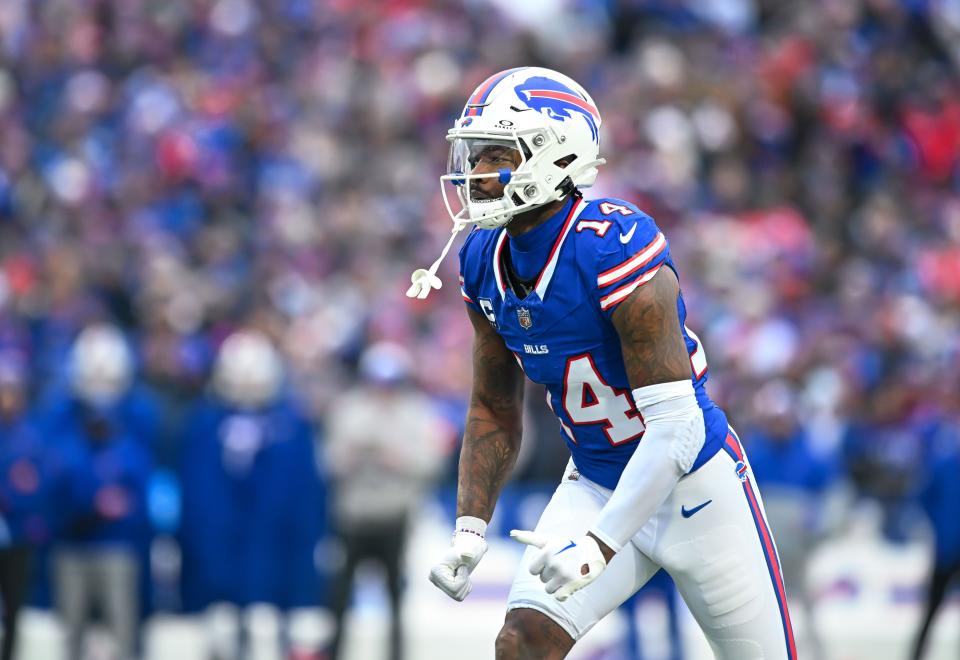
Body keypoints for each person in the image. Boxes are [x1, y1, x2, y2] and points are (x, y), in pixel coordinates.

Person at [408, 67, 797, 659]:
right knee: (521, 645)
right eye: (474, 153)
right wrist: (469, 528)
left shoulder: (611, 243)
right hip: (594, 480)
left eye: (495, 154)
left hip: (696, 486)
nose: (475, 172)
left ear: (553, 154)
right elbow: (493, 403)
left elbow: (677, 425)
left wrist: (600, 543)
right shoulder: (483, 256)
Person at [323, 342, 448, 660]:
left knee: (395, 597)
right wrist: (354, 455)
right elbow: (328, 461)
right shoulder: (347, 409)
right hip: (353, 516)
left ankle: (396, 655)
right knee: (339, 597)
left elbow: (432, 461)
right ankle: (335, 652)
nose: (383, 390)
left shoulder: (418, 411)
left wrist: (394, 458)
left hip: (395, 515)